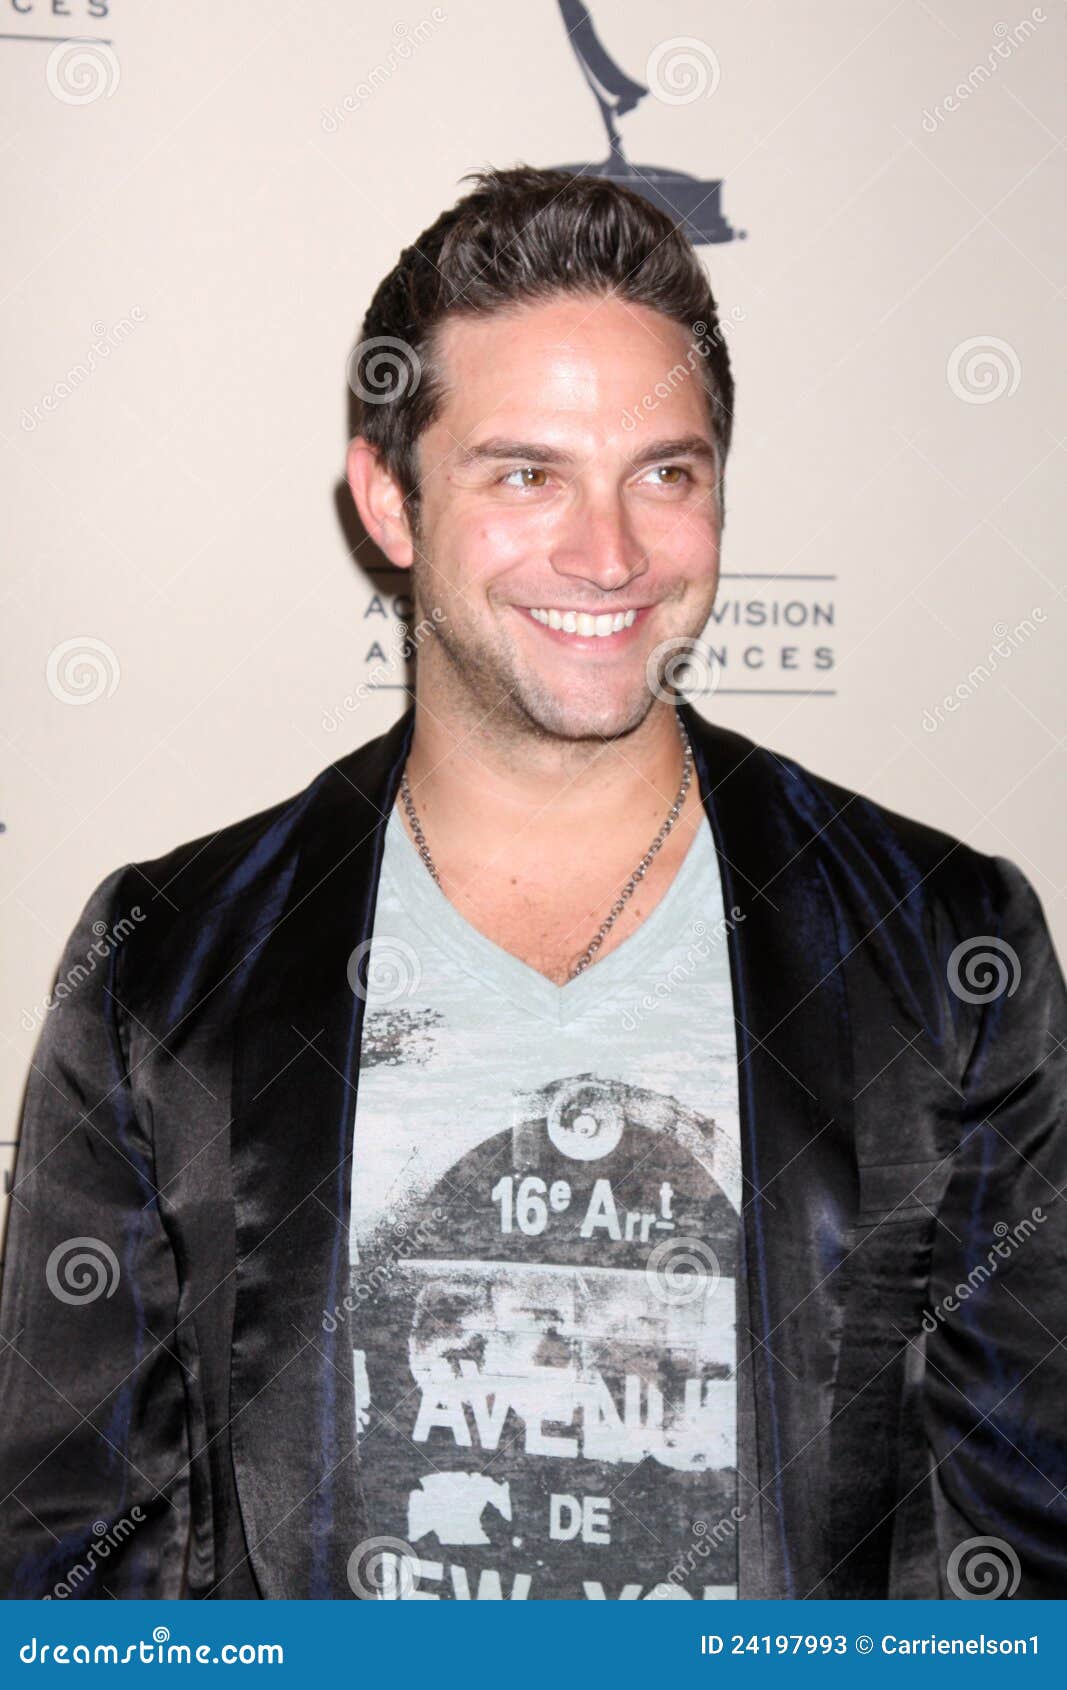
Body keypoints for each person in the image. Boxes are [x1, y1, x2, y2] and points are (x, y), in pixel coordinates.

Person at [1, 166, 1063, 1602]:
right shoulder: (165, 964)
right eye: (525, 474)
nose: (608, 554)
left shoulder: (947, 947)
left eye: (665, 474)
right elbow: (74, 1581)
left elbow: (1021, 1562)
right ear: (390, 502)